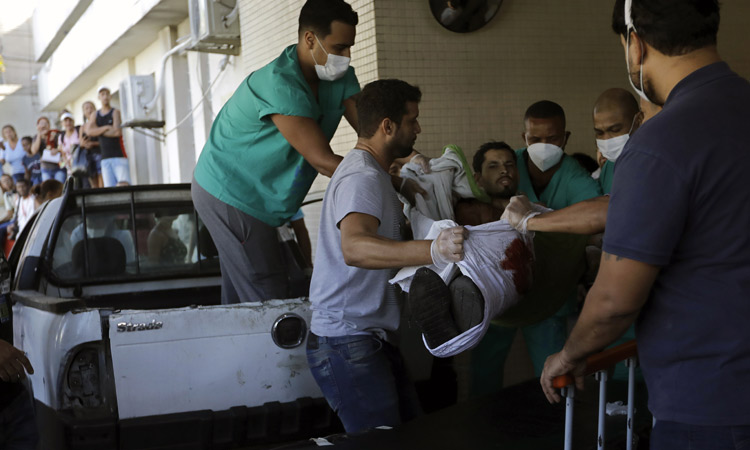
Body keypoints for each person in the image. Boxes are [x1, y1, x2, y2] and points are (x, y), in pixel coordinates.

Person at [537, 2, 750, 449]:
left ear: (635, 44)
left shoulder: (661, 142)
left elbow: (615, 300)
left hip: (711, 406)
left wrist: (570, 355)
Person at [193, 0, 427, 304]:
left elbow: (377, 133)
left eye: (350, 47)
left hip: (265, 198)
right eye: (340, 47)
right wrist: (398, 184)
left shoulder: (339, 78)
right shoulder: (279, 84)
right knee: (267, 290)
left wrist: (416, 160)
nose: (347, 56)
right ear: (309, 39)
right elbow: (322, 160)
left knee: (244, 293)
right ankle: (277, 352)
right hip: (230, 192)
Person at [306, 79, 466, 433]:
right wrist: (434, 249)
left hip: (369, 337)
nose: (419, 128)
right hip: (347, 340)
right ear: (387, 126)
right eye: (412, 120)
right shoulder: (362, 176)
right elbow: (355, 247)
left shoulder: (375, 173)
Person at [469, 101, 602, 396]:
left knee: (554, 373)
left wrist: (587, 250)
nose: (543, 146)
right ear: (523, 137)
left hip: (549, 293)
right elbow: (467, 189)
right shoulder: (507, 162)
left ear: (565, 138)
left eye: (552, 139)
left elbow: (598, 217)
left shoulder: (575, 178)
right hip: (499, 291)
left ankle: (561, 431)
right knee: (485, 369)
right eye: (534, 139)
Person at [592, 88, 642, 194]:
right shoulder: (608, 167)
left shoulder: (650, 164)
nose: (606, 139)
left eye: (615, 130)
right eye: (599, 133)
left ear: (638, 121)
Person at [86, 87, 130, 187]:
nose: (105, 97)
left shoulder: (115, 112)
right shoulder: (95, 114)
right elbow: (89, 131)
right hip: (105, 157)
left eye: (107, 94)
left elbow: (117, 132)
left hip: (119, 156)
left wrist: (98, 130)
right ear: (99, 97)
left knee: (124, 185)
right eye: (102, 94)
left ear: (110, 96)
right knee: (109, 189)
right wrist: (106, 128)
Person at [31, 117, 66, 183]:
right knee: (48, 188)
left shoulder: (55, 134)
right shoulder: (36, 137)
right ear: (37, 126)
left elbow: (65, 146)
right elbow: (34, 151)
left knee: (60, 186)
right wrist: (39, 134)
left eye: (45, 123)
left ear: (49, 125)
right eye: (41, 123)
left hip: (60, 166)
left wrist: (57, 150)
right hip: (45, 168)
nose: (43, 125)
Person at [80, 101, 103, 188]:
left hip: (99, 154)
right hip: (88, 158)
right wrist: (84, 144)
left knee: (101, 180)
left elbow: (103, 141)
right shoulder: (82, 127)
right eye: (86, 108)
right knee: (93, 183)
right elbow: (80, 143)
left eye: (91, 108)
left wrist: (93, 144)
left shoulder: (99, 124)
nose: (89, 110)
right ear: (84, 112)